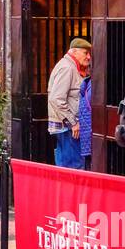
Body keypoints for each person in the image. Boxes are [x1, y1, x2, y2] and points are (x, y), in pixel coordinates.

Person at [44, 38, 91, 168]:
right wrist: (72, 123)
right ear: (74, 52)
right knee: (73, 167)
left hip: (67, 127)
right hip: (68, 128)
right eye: (85, 53)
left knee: (68, 166)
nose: (88, 57)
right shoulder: (67, 67)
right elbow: (56, 99)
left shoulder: (71, 66)